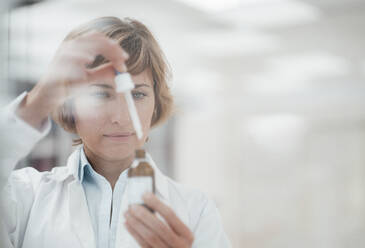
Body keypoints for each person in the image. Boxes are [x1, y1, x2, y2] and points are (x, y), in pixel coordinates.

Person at [0, 17, 231, 248]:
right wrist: (38, 100)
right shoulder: (24, 196)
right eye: (101, 95)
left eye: (138, 94)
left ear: (155, 105)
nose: (120, 117)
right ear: (70, 106)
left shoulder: (195, 211)